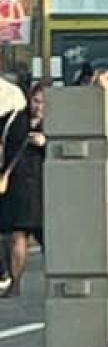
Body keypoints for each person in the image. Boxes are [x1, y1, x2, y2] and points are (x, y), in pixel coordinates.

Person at [0, 82, 46, 298]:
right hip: (19, 186)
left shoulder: (56, 124)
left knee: (51, 238)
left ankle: (59, 276)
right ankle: (15, 281)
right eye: (36, 101)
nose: (39, 107)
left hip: (45, 185)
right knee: (18, 235)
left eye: (44, 103)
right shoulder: (14, 120)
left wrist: (46, 143)